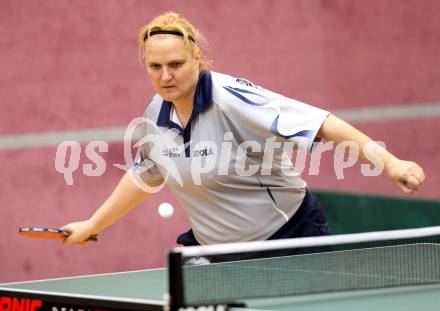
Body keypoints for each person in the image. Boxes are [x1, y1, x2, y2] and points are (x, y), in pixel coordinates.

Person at [62, 12, 425, 254]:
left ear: (197, 59)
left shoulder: (234, 100)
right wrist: (94, 223)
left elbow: (322, 123)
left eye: (175, 64)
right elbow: (146, 174)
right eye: (155, 66)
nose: (165, 76)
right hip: (217, 253)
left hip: (289, 240)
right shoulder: (156, 113)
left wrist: (390, 163)